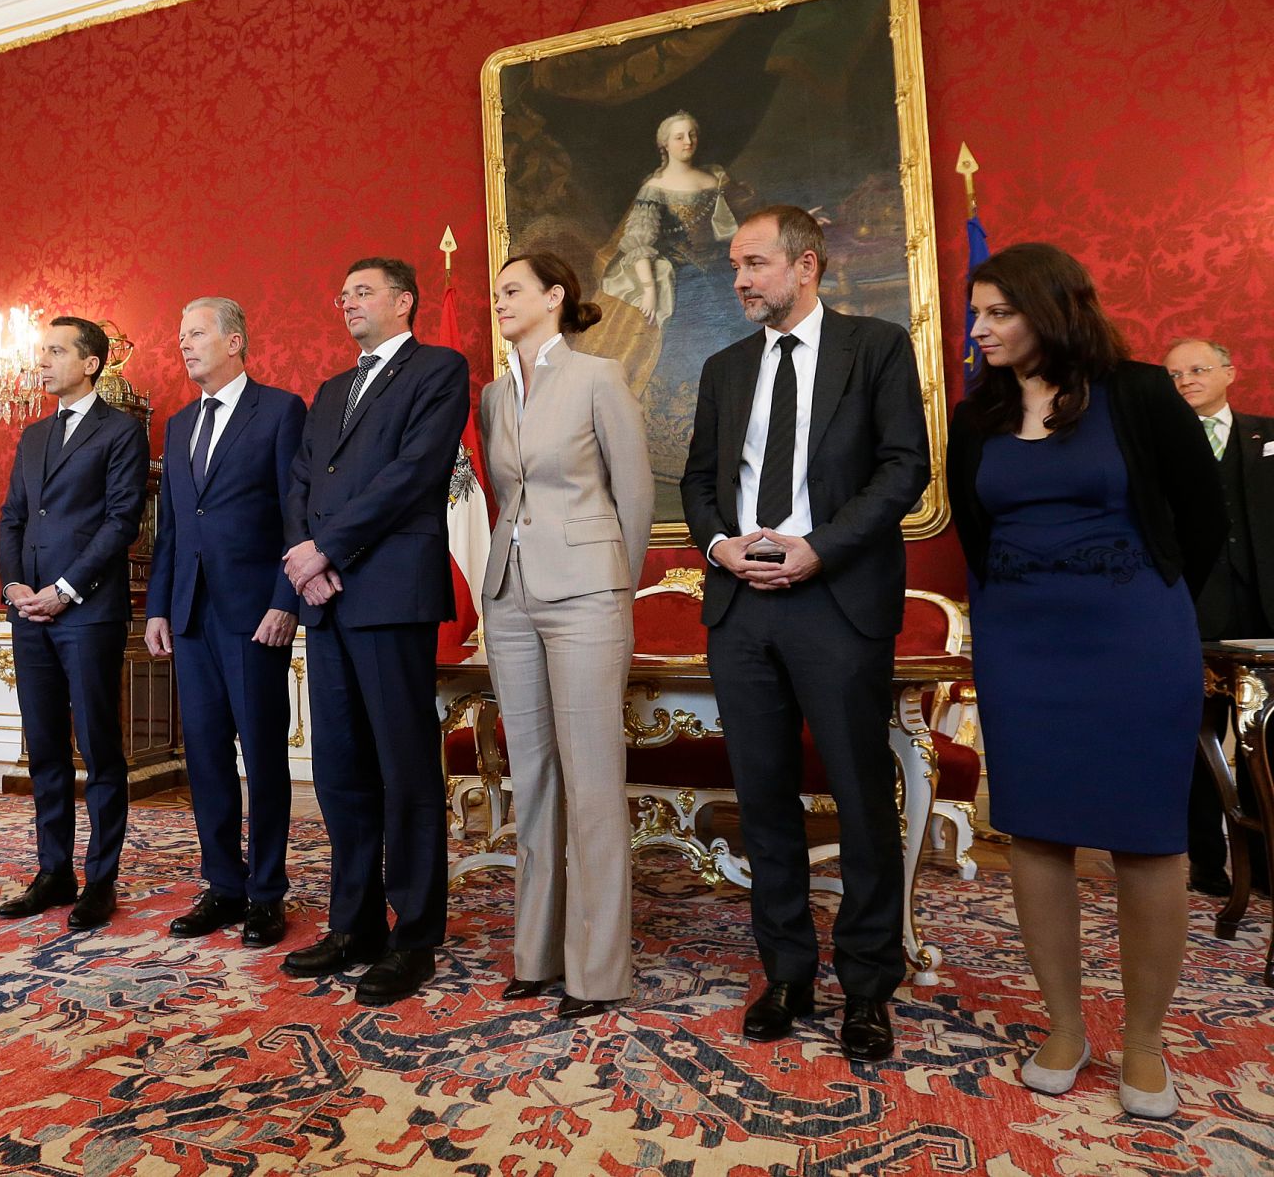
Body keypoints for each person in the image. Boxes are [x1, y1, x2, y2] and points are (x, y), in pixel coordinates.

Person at [950, 244, 1225, 1118]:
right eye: (977, 312)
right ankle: (1064, 1027)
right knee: (1035, 832)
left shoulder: (1139, 393)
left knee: (1148, 839)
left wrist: (1151, 602)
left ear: (1054, 309)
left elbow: (1204, 519)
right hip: (1021, 647)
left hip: (1135, 640)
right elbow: (975, 530)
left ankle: (1144, 1042)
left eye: (999, 312)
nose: (980, 328)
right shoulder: (978, 415)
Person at [680, 204, 930, 1062]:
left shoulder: (876, 347)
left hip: (837, 601)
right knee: (762, 799)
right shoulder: (724, 368)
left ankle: (867, 984)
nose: (740, 280)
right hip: (742, 606)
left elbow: (904, 467)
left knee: (861, 797)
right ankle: (786, 973)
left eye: (754, 263)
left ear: (806, 265)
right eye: (735, 266)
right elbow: (699, 481)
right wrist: (719, 546)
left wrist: (819, 548)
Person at [279, 256, 470, 1005]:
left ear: (404, 301)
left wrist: (326, 549)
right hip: (326, 598)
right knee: (341, 771)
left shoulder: (438, 370)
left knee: (405, 770)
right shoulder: (330, 390)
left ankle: (414, 935)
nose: (347, 302)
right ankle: (353, 924)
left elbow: (413, 475)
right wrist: (305, 560)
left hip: (390, 595)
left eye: (363, 291)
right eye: (343, 293)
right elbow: (300, 481)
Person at [478, 253, 652, 1019]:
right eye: (497, 294)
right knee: (535, 777)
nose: (500, 302)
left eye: (512, 290)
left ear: (556, 297)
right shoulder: (493, 395)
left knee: (591, 779)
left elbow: (634, 496)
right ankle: (538, 954)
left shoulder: (598, 377)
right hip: (510, 596)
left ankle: (598, 969)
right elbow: (506, 495)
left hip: (586, 595)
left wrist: (613, 587)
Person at [146, 297, 305, 947]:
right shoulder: (180, 424)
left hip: (254, 615)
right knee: (206, 758)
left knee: (263, 757)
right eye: (180, 335)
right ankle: (223, 885)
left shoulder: (280, 411)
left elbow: (296, 515)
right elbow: (172, 527)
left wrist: (285, 600)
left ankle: (266, 893)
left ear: (235, 341)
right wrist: (159, 605)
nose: (183, 345)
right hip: (190, 614)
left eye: (196, 333)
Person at [0, 314, 150, 932]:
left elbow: (122, 522)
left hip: (87, 612)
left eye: (56, 352)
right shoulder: (33, 435)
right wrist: (14, 586)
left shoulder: (122, 431)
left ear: (91, 363)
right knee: (45, 750)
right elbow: (11, 517)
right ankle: (53, 870)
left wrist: (63, 591)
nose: (43, 362)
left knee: (100, 749)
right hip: (28, 614)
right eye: (42, 352)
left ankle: (100, 880)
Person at [587, 111, 752, 493]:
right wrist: (648, 288)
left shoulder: (713, 180)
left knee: (740, 338)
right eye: (679, 136)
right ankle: (681, 445)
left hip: (720, 273)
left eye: (692, 134)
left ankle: (743, 435)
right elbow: (639, 242)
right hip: (683, 279)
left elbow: (737, 228)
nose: (687, 141)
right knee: (689, 346)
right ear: (664, 144)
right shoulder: (655, 188)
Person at [1162, 337, 1272, 896]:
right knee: (1197, 744)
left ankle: (1266, 866)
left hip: (1264, 612)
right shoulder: (1158, 445)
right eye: (1174, 374)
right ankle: (1207, 863)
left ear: (1229, 371)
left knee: (1266, 743)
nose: (1186, 380)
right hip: (1192, 612)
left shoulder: (1267, 435)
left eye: (1198, 369)